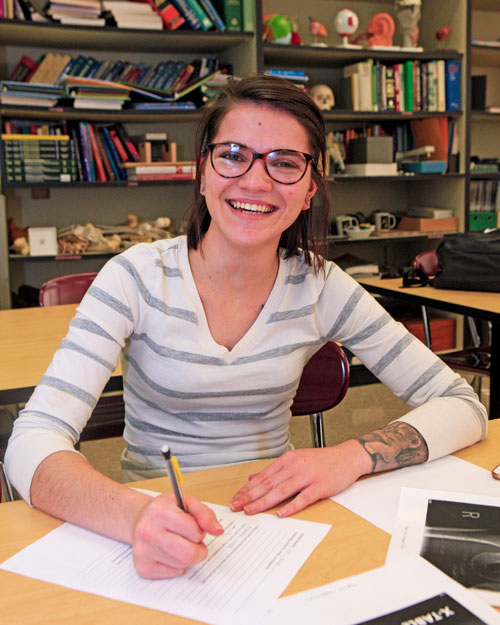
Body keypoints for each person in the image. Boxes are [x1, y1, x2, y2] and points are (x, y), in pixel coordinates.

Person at [5, 75, 487, 579]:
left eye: (285, 163)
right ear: (203, 173)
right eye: (233, 155)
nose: (256, 182)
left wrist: (349, 457)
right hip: (153, 521)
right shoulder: (135, 277)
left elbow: (462, 403)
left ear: (309, 189)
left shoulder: (321, 285)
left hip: (277, 523)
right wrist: (133, 516)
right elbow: (33, 439)